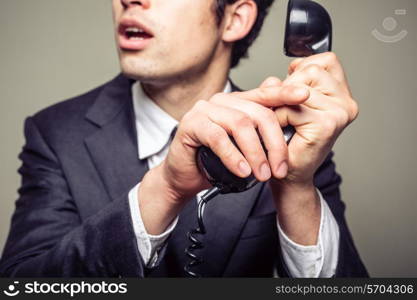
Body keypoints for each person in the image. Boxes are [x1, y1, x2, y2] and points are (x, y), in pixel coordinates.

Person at [0, 0, 367, 277]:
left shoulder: (290, 138)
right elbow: (21, 285)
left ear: (235, 19)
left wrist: (294, 185)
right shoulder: (55, 133)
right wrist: (166, 188)